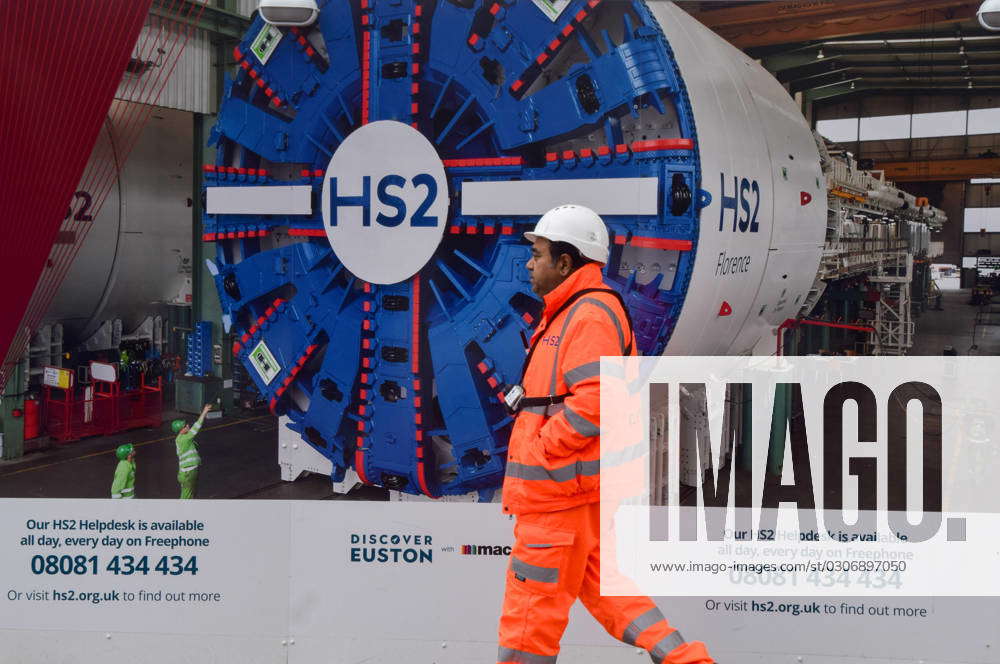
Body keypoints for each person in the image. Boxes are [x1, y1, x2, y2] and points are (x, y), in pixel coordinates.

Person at [496, 205, 713, 664]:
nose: (530, 263)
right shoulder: (574, 311)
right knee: (611, 596)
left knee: (528, 623)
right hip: (574, 498)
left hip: (558, 500)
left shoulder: (587, 316)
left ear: (566, 261)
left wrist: (540, 451)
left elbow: (595, 404)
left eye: (538, 253)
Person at [171, 404, 212, 499]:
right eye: (185, 425)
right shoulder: (185, 439)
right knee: (186, 496)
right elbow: (197, 426)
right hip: (188, 473)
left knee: (189, 494)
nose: (187, 425)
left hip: (186, 473)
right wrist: (205, 411)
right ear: (181, 430)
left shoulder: (180, 438)